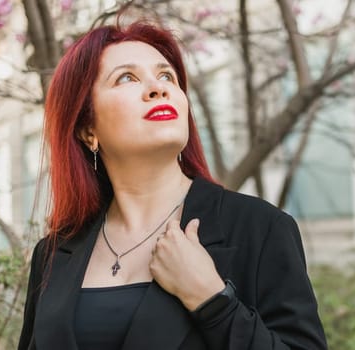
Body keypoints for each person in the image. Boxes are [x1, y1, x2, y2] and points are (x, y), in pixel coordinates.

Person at [18, 20, 327, 350]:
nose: (158, 88)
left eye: (167, 76)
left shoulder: (260, 229)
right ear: (87, 129)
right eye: (127, 77)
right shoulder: (52, 256)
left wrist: (212, 300)